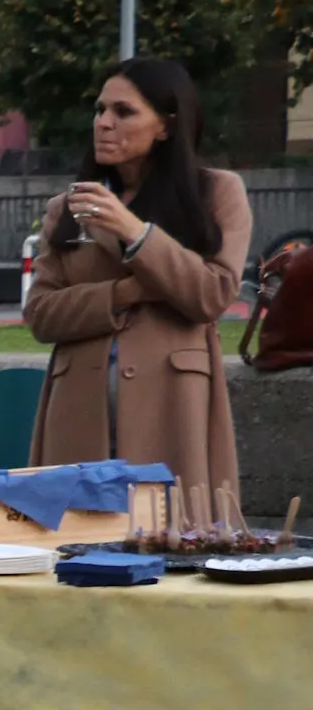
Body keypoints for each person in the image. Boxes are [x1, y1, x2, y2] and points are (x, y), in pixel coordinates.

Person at [24, 56, 250, 504]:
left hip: (172, 410)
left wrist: (134, 233)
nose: (104, 123)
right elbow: (41, 315)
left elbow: (213, 295)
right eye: (99, 110)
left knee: (172, 548)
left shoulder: (216, 193)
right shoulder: (67, 207)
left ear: (165, 126)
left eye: (123, 112)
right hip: (77, 411)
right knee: (76, 551)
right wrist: (125, 292)